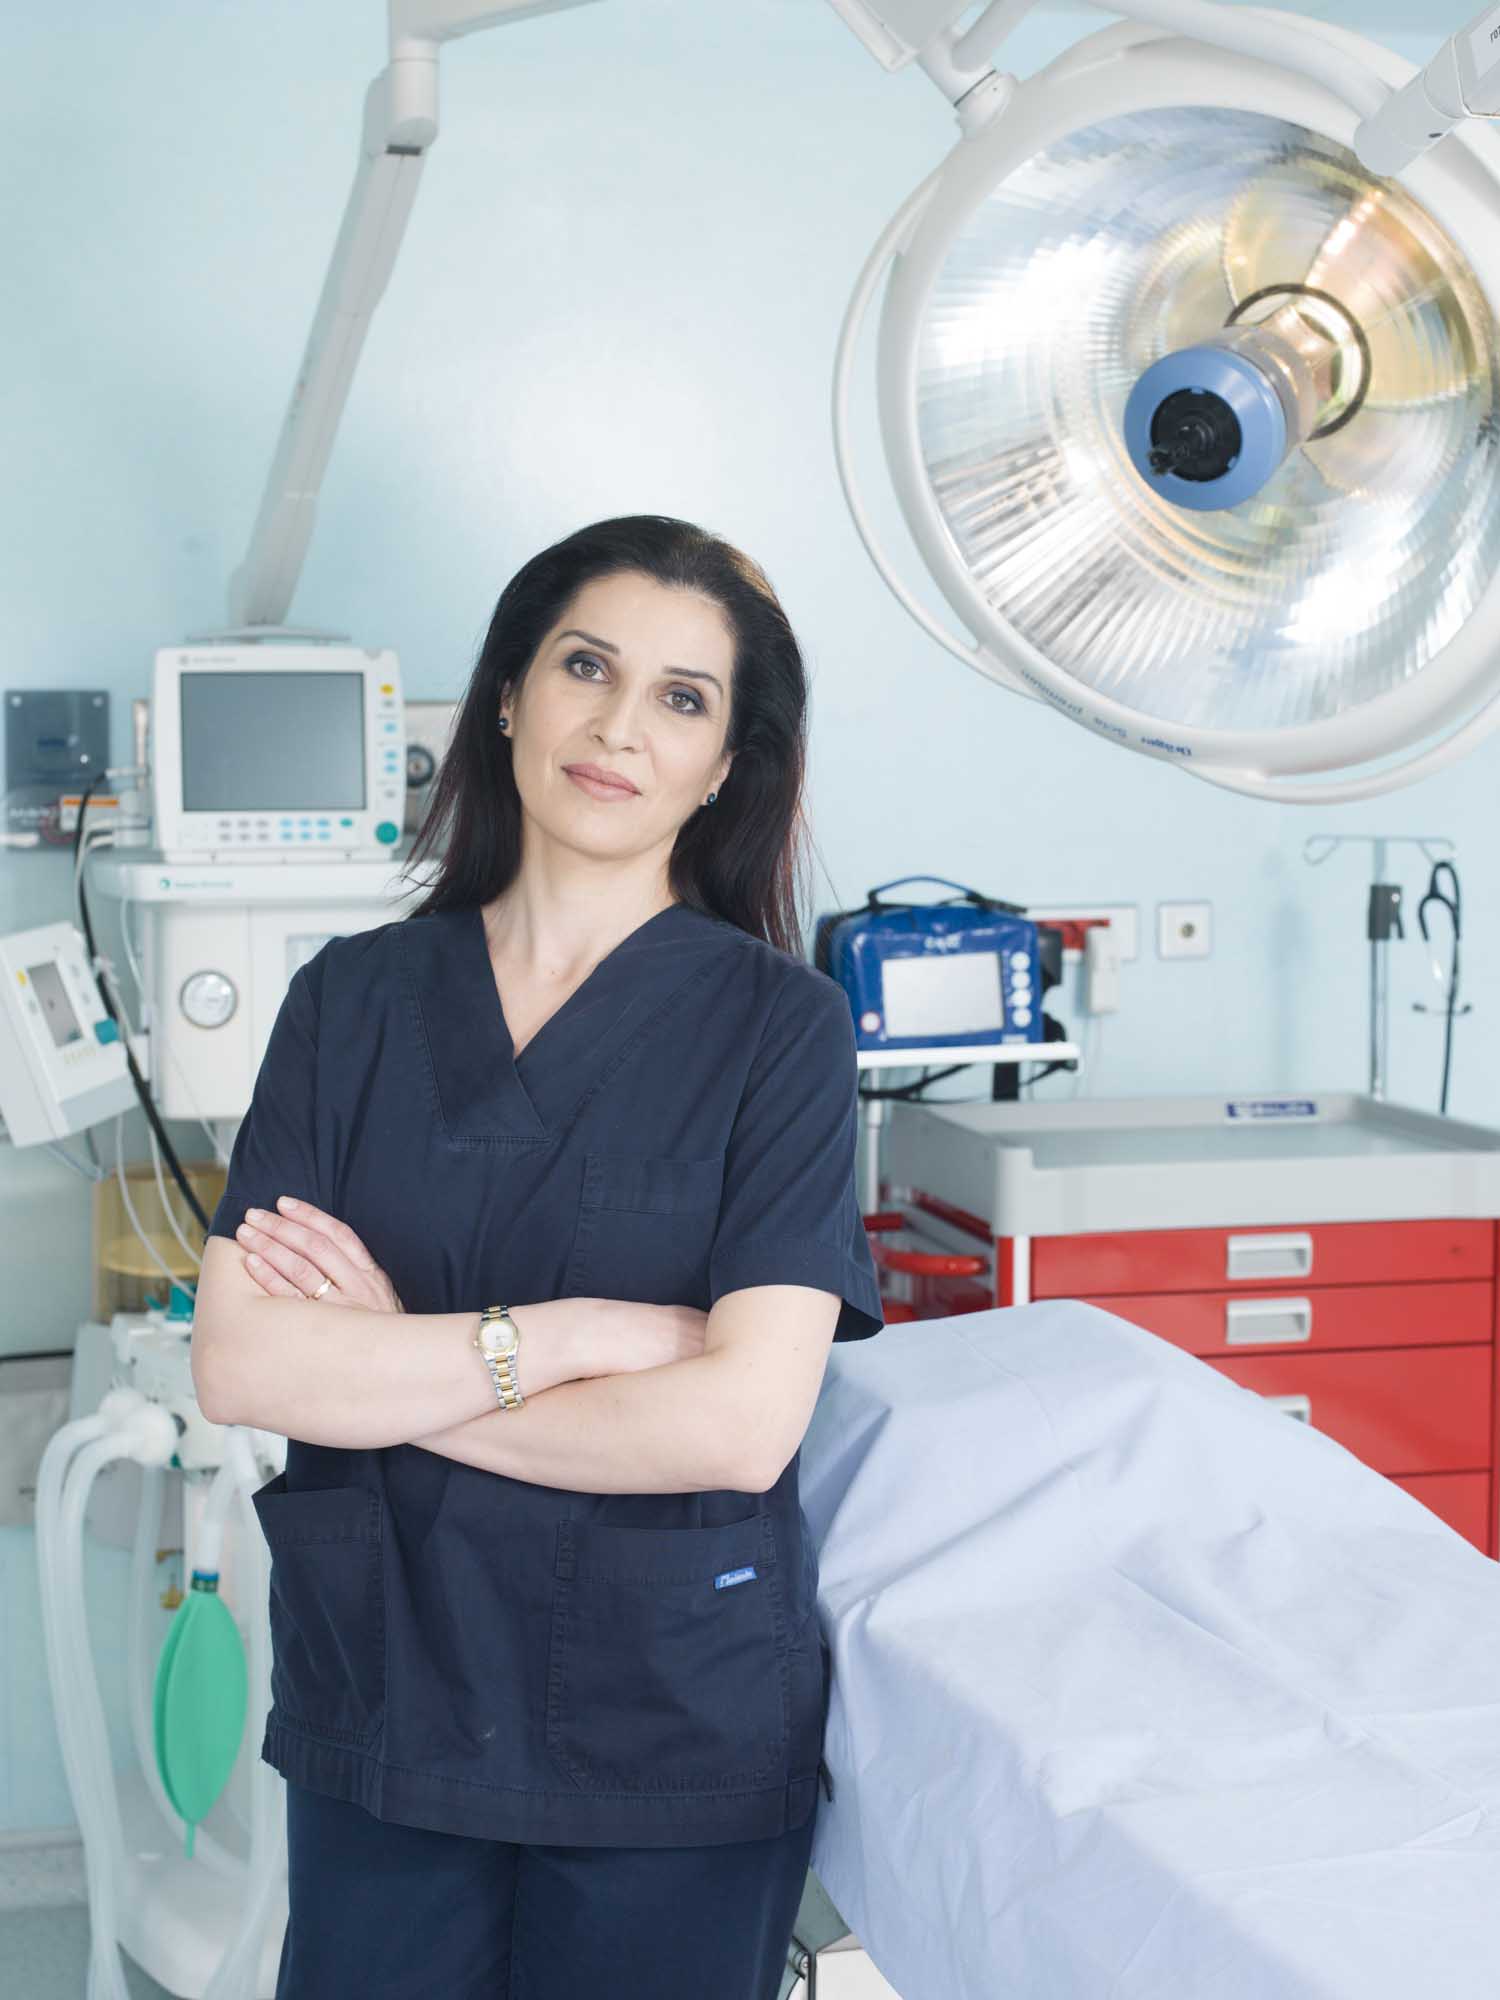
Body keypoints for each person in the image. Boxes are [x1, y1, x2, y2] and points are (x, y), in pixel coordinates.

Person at [191, 514, 885, 1999]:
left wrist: (391, 1366)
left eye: (682, 698)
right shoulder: (349, 1003)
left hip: (667, 1731)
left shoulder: (782, 1030)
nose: (620, 727)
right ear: (509, 694)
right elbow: (246, 1363)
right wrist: (562, 1336)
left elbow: (736, 1425)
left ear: (726, 764)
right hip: (387, 1701)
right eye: (586, 667)